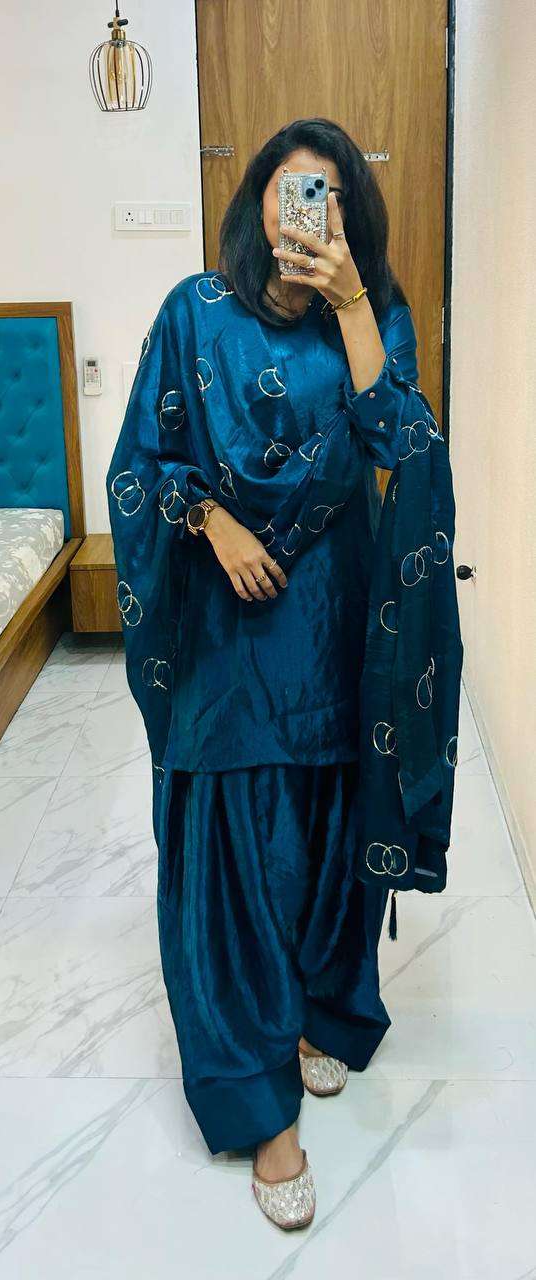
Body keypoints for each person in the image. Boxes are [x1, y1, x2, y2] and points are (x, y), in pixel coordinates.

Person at [106, 117, 437, 1231]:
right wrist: (211, 520)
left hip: (338, 615)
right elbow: (142, 461)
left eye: (329, 195)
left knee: (331, 833)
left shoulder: (373, 312)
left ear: (351, 214)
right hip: (227, 622)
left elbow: (399, 443)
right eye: (293, 190)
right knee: (235, 849)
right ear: (257, 201)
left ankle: (320, 1006)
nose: (309, 212)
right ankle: (261, 1103)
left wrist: (354, 306)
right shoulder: (194, 312)